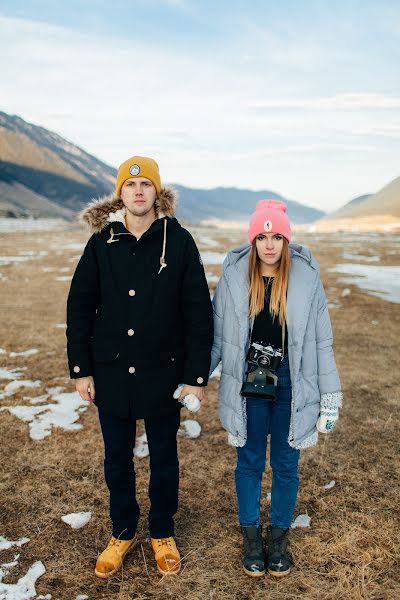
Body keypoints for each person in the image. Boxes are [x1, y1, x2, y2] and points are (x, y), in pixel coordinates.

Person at [66, 155, 213, 578]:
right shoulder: (102, 242)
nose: (138, 191)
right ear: (120, 194)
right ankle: (124, 530)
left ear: (157, 192)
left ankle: (162, 531)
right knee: (117, 459)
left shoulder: (178, 240)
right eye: (130, 186)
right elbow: (79, 306)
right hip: (111, 371)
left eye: (145, 184)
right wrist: (81, 369)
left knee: (165, 457)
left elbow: (198, 312)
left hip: (164, 372)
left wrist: (195, 377)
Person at [209, 200, 342, 578]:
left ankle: (279, 537)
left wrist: (329, 399)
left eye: (277, 236)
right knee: (249, 462)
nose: (269, 244)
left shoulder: (306, 278)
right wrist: (195, 380)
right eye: (262, 236)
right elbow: (217, 339)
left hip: (291, 385)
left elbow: (321, 343)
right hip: (248, 384)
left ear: (286, 240)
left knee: (286, 464)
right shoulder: (234, 277)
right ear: (253, 240)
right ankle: (252, 536)